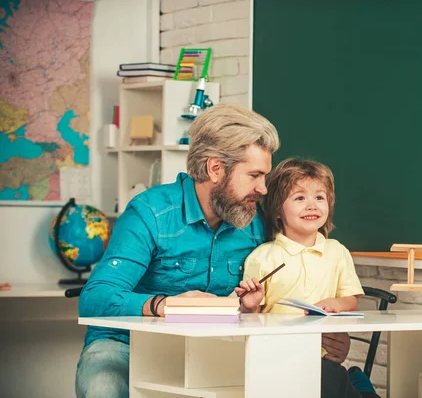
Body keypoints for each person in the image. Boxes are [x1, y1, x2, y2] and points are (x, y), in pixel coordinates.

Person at [75, 104, 351, 398]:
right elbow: (96, 297)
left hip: (218, 349)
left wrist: (328, 340)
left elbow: (286, 294)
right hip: (128, 345)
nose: (264, 189)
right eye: (254, 176)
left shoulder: (257, 224)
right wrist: (163, 306)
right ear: (215, 168)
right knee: (101, 387)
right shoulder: (151, 213)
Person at [235, 158, 380, 398]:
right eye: (300, 198)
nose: (311, 205)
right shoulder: (262, 257)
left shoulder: (337, 251)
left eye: (319, 198)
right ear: (278, 211)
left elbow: (351, 301)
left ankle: (356, 382)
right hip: (276, 358)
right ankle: (358, 383)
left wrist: (337, 304)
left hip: (323, 357)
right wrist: (249, 307)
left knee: (329, 378)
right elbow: (249, 319)